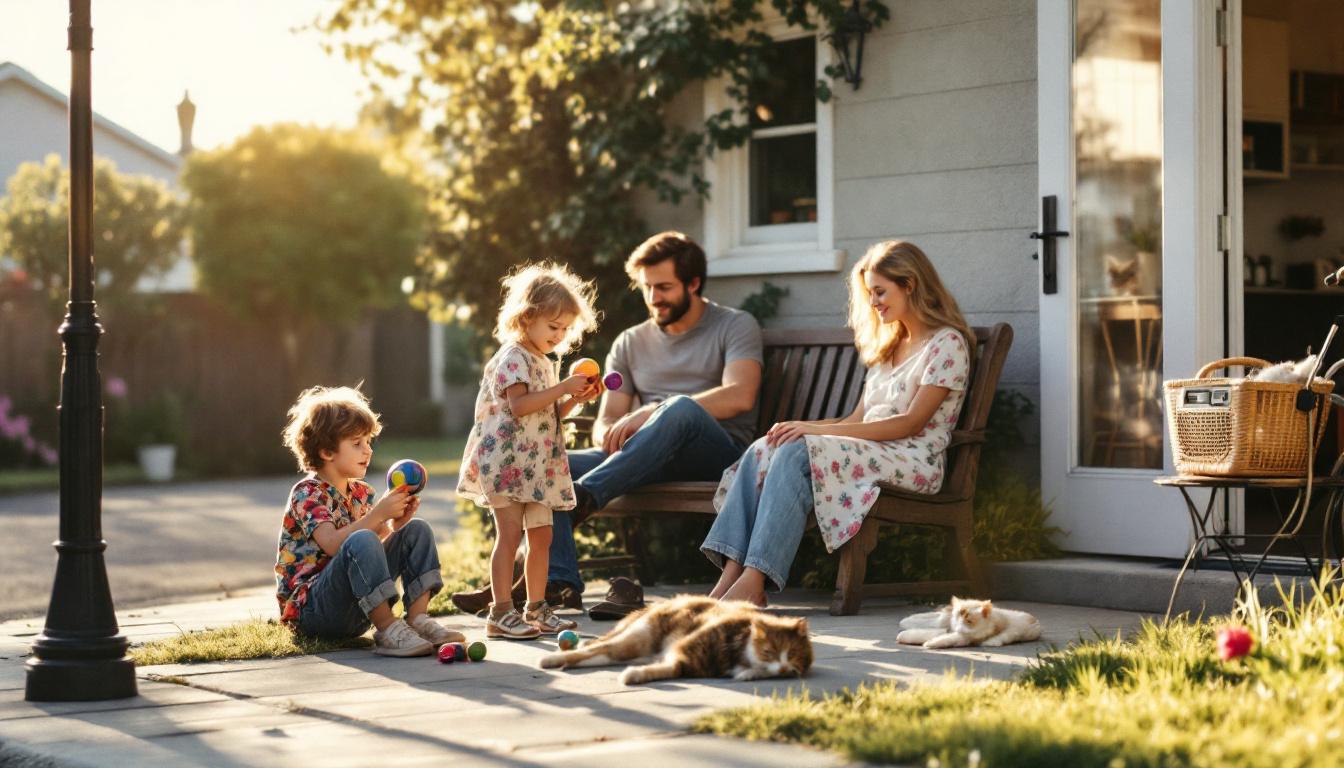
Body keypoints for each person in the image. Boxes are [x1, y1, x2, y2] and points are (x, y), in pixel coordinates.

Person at [450, 232, 764, 613]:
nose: (653, 298)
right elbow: (607, 425)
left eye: (663, 287)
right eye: (647, 287)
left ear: (693, 283)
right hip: (642, 457)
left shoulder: (735, 326)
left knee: (678, 409)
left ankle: (587, 496)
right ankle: (559, 582)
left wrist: (652, 412)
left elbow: (740, 396)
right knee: (556, 466)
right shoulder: (630, 342)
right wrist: (590, 410)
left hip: (713, 455)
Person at [702, 240, 973, 605]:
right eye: (870, 294)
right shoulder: (889, 347)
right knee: (769, 445)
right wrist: (802, 426)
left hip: (912, 459)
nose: (874, 302)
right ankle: (731, 575)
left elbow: (909, 424)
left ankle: (755, 580)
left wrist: (813, 431)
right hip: (872, 450)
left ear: (910, 284)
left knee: (797, 452)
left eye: (880, 291)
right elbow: (856, 420)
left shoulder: (947, 344)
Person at [456, 263, 601, 639]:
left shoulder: (545, 363)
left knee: (542, 537)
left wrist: (575, 398)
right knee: (509, 535)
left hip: (535, 467)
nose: (560, 335)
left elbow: (547, 413)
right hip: (505, 463)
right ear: (527, 317)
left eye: (565, 329)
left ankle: (536, 608)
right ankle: (500, 612)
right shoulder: (513, 357)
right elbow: (519, 406)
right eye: (553, 327)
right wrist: (563, 386)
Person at [275, 386, 463, 657]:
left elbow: (369, 551)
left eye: (368, 442)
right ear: (327, 451)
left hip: (358, 606)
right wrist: (377, 515)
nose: (368, 450)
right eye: (357, 443)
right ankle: (388, 629)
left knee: (416, 530)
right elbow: (332, 545)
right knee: (361, 538)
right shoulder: (307, 493)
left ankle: (417, 620)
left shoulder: (361, 492)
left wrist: (394, 527)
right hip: (314, 611)